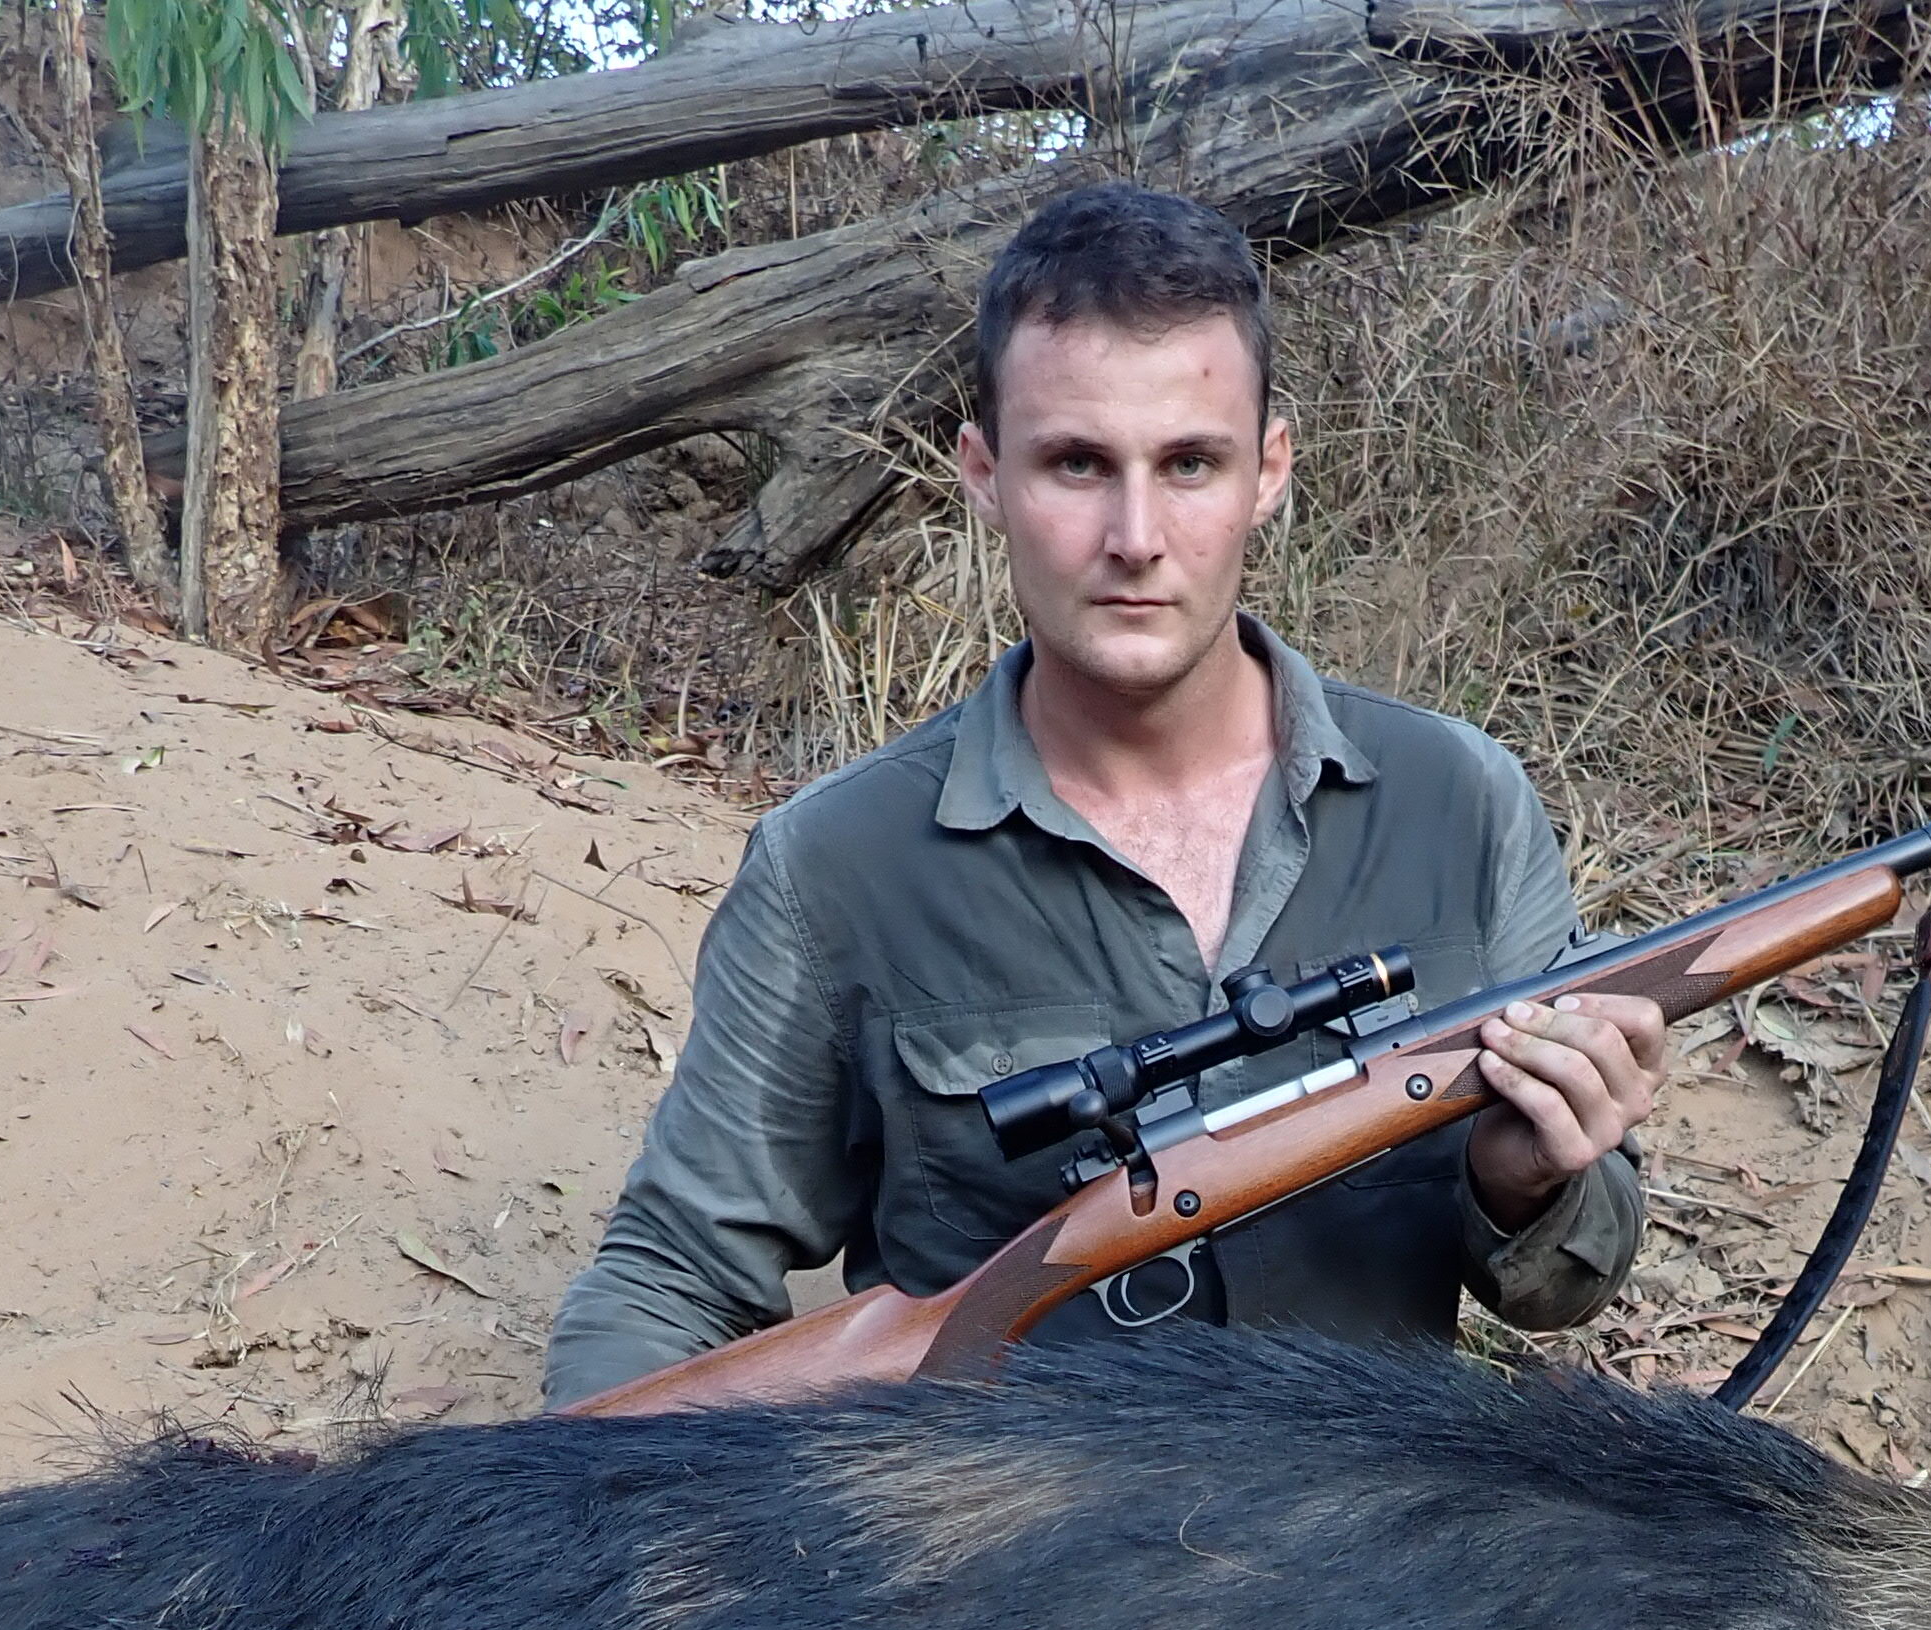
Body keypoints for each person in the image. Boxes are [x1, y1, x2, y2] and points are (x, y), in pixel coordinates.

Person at [538, 181, 1665, 1408]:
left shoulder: (1462, 803)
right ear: (982, 475)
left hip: (1374, 1576)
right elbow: (673, 1277)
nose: (1135, 534)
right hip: (995, 1577)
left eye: (1190, 463)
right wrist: (578, 1533)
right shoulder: (834, 865)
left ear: (1269, 472)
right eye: (1077, 463)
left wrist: (1527, 1179)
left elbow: (1562, 1285)